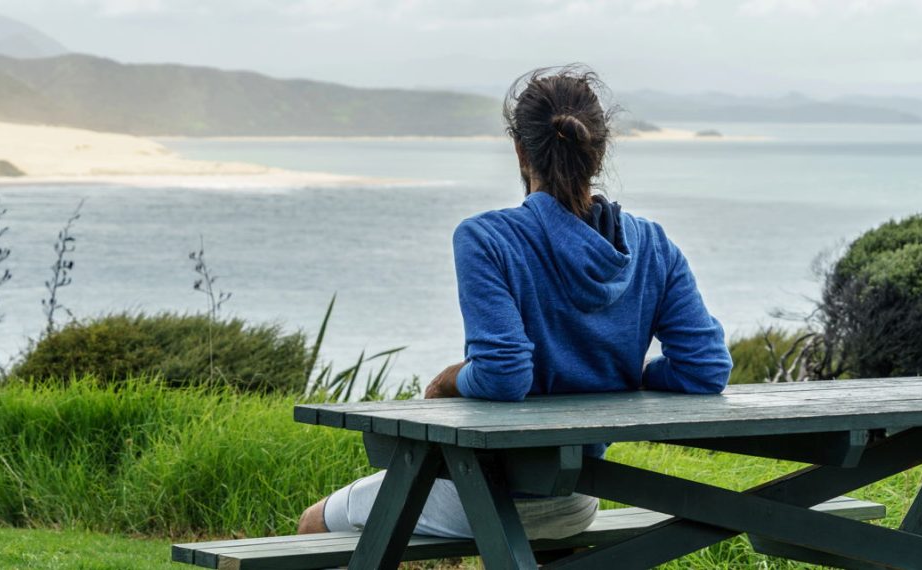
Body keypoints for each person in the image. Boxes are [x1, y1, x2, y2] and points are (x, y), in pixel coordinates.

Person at [297, 65, 732, 540]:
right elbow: (705, 368)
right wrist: (636, 377)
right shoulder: (653, 245)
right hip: (578, 497)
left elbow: (505, 373)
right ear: (599, 150)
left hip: (483, 493)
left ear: (521, 151)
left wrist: (449, 380)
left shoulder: (487, 239)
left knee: (315, 522)